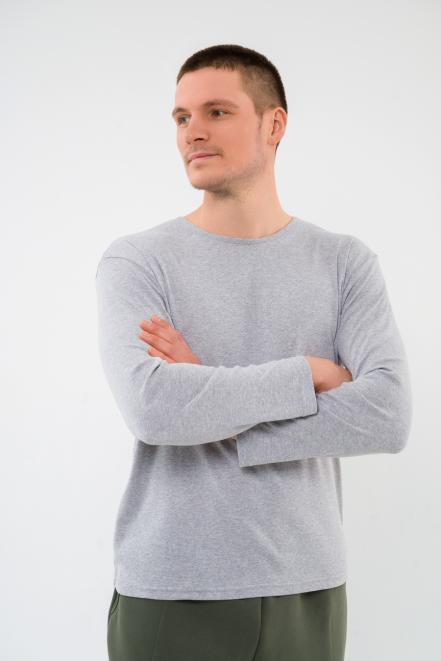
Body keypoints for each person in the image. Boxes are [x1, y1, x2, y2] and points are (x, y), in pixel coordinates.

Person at [95, 43, 412, 661]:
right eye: (182, 117)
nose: (193, 132)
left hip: (309, 584)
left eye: (217, 112)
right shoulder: (137, 261)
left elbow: (388, 415)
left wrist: (208, 396)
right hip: (174, 587)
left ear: (274, 124)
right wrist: (309, 374)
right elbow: (154, 409)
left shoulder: (345, 262)